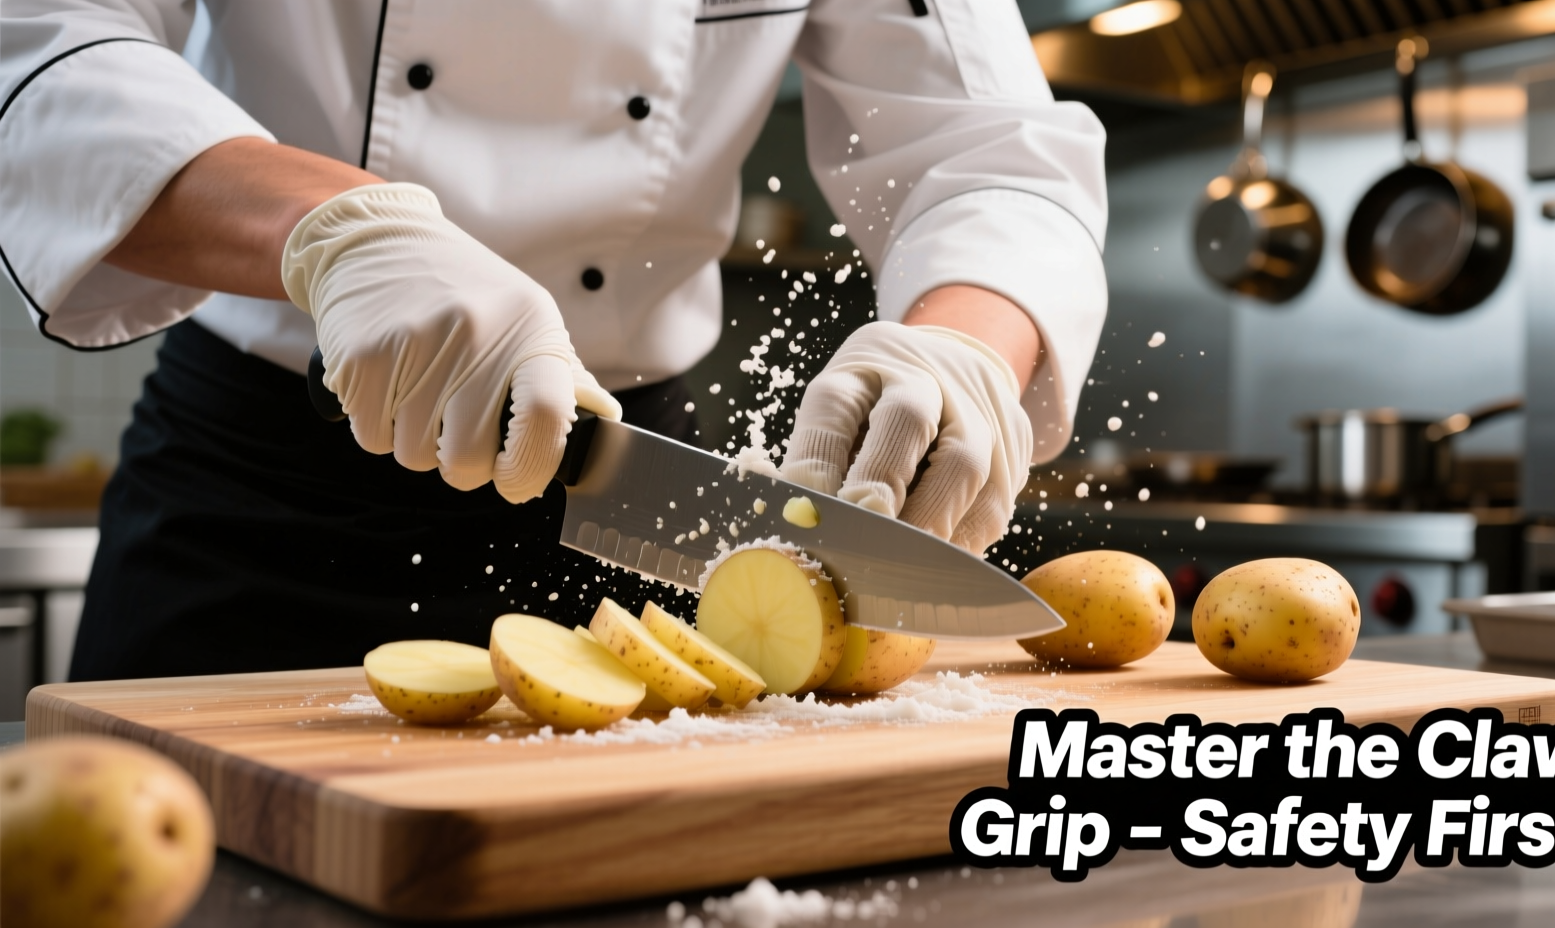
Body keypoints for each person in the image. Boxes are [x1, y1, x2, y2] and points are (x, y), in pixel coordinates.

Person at [0, 1, 1108, 681]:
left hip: (628, 527)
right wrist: (335, 233)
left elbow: (990, 146)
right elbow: (42, 37)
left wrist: (964, 346)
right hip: (262, 497)